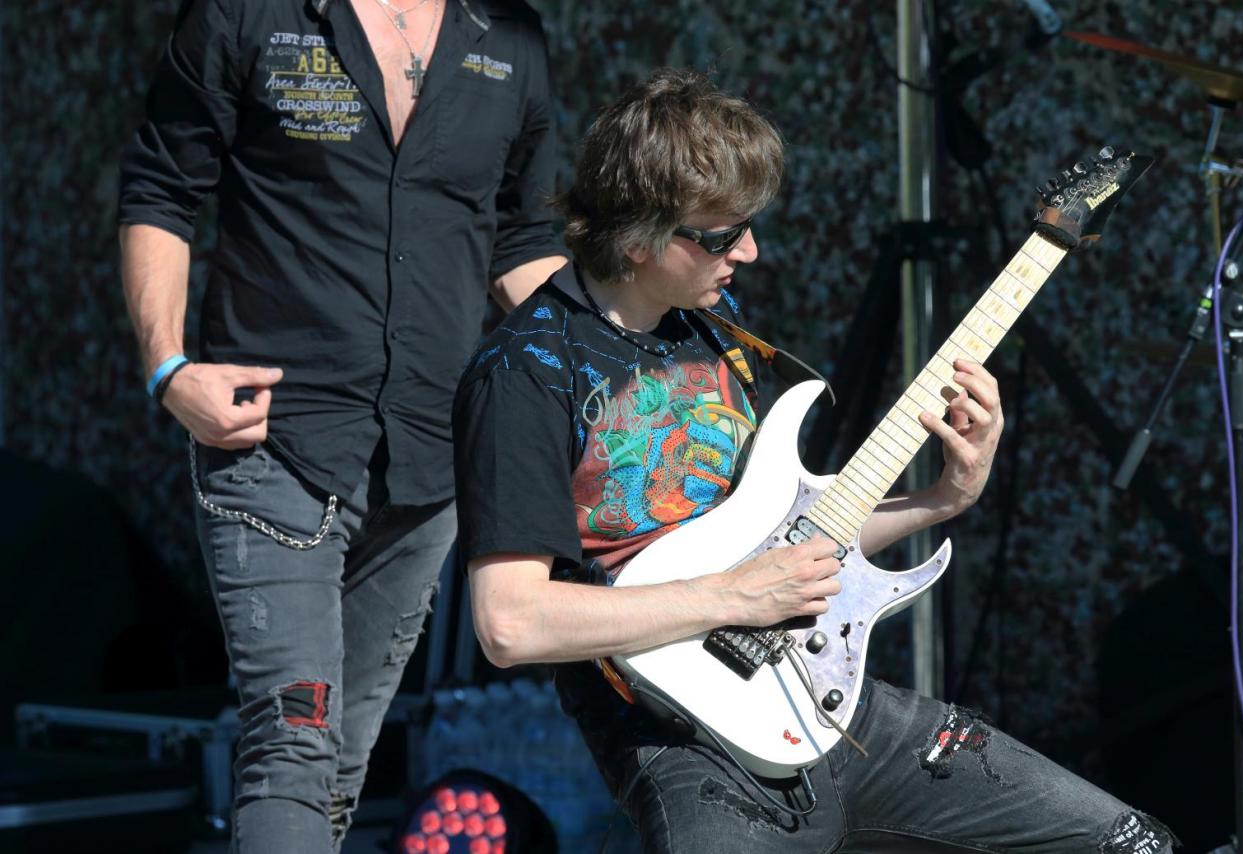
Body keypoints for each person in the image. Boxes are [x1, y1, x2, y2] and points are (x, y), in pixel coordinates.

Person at [451, 69, 1175, 853]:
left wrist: (944, 496)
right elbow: (509, 623)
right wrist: (732, 595)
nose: (750, 251)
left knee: (1132, 842)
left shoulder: (711, 324)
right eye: (723, 236)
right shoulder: (525, 373)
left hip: (825, 701)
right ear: (637, 239)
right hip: (682, 743)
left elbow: (790, 550)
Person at [117, 0, 565, 849]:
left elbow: (521, 238)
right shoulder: (248, 13)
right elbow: (162, 189)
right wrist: (168, 369)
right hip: (274, 445)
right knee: (292, 746)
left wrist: (611, 372)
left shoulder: (508, 33)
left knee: (339, 772)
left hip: (428, 462)